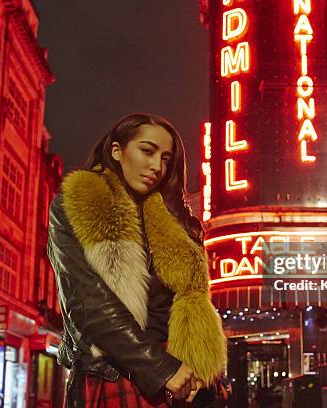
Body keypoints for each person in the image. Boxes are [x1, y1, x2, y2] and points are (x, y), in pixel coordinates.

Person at [47, 113, 227, 407]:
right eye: (147, 151)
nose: (158, 166)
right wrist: (160, 368)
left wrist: (194, 370)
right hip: (114, 374)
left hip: (180, 383)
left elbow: (188, 306)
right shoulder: (81, 203)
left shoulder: (173, 218)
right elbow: (88, 303)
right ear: (117, 151)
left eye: (167, 158)